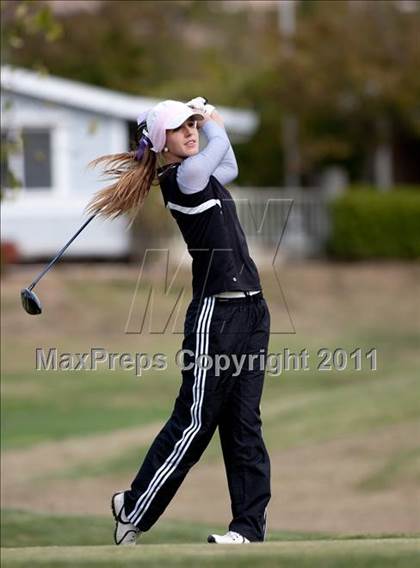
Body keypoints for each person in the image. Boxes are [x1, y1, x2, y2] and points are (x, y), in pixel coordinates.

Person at [86, 97, 271, 545]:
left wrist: (206, 123)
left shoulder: (201, 175)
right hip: (217, 314)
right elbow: (219, 144)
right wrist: (213, 121)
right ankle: (134, 509)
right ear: (161, 143)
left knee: (245, 424)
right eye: (180, 128)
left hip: (253, 310)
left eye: (192, 125)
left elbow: (230, 164)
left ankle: (246, 530)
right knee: (195, 421)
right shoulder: (184, 176)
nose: (191, 132)